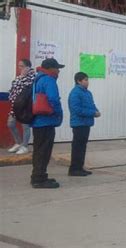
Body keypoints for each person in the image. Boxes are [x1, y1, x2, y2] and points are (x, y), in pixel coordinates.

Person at [30, 58, 64, 189]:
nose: (59, 71)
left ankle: (38, 175)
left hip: (37, 121)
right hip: (46, 121)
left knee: (38, 150)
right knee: (44, 151)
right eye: (57, 68)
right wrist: (58, 113)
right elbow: (53, 99)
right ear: (51, 69)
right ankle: (39, 179)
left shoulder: (37, 78)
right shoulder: (49, 80)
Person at [68, 72, 100, 176]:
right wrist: (92, 113)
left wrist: (96, 111)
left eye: (87, 80)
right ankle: (74, 169)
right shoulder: (75, 93)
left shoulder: (87, 93)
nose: (87, 82)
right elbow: (76, 109)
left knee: (82, 146)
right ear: (79, 81)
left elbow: (92, 104)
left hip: (86, 123)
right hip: (79, 123)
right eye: (85, 80)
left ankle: (80, 167)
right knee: (77, 147)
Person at [7, 59, 35, 155]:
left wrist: (23, 77)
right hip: (16, 105)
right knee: (10, 124)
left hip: (25, 106)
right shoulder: (19, 77)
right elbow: (14, 87)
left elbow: (27, 88)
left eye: (21, 66)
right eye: (19, 66)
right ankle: (19, 142)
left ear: (28, 67)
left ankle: (25, 146)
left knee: (25, 126)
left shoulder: (32, 77)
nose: (20, 68)